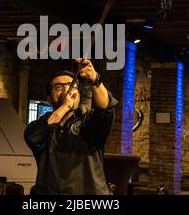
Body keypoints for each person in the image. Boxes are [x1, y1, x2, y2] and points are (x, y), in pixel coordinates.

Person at [24, 58, 118, 195]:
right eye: (58, 87)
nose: (67, 90)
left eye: (71, 86)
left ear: (78, 95)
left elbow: (105, 108)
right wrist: (64, 106)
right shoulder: (41, 125)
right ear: (49, 98)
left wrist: (95, 79)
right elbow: (32, 137)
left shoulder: (88, 120)